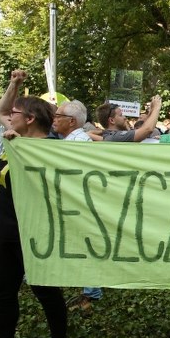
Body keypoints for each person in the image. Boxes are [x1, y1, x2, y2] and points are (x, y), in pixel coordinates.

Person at [0, 71, 69, 338]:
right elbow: (1, 111)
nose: (7, 118)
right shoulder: (14, 138)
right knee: (2, 291)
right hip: (6, 235)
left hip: (33, 235)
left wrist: (25, 155)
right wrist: (14, 85)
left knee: (46, 292)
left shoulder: (48, 150)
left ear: (29, 119)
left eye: (15, 114)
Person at [53, 99, 104, 308]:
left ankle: (92, 292)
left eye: (58, 116)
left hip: (81, 206)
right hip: (78, 204)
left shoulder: (78, 143)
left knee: (86, 247)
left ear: (71, 121)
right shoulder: (73, 140)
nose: (54, 120)